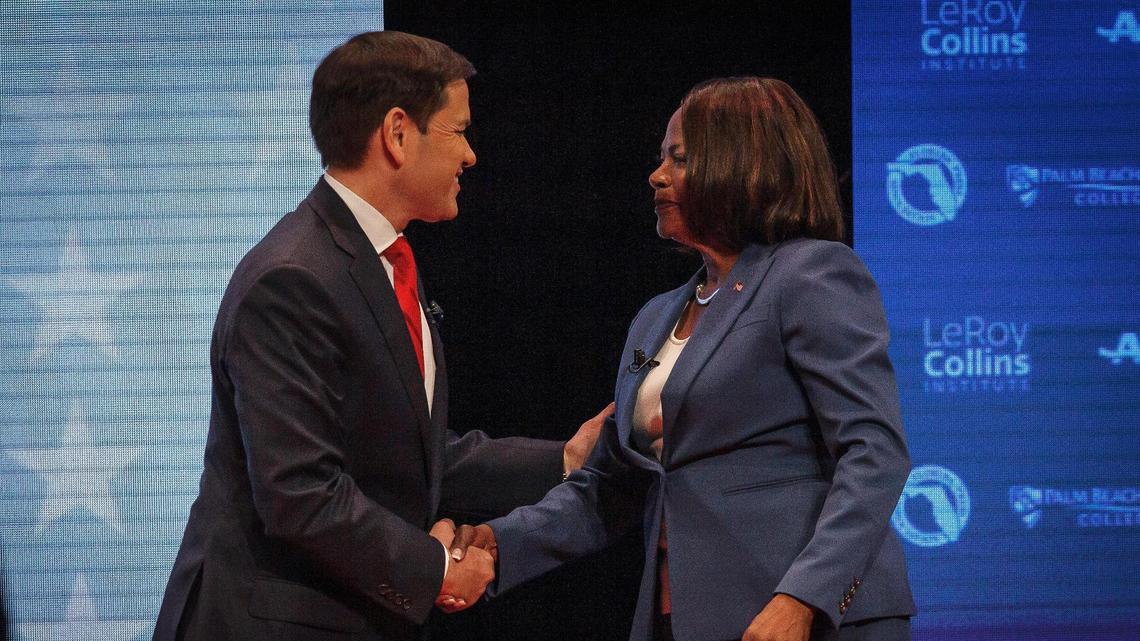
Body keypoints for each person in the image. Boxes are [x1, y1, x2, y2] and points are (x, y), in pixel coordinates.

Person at [152, 31, 607, 641]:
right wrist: (440, 571)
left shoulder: (382, 262)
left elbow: (407, 455)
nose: (470, 155)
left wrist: (565, 460)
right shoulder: (295, 277)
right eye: (457, 130)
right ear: (397, 134)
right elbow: (300, 494)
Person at [448, 77, 916, 641]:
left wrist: (802, 598)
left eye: (680, 158)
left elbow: (875, 453)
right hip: (683, 616)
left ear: (745, 165)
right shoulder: (657, 315)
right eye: (660, 158)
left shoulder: (810, 274)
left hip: (804, 621)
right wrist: (500, 545)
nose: (657, 174)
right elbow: (609, 486)